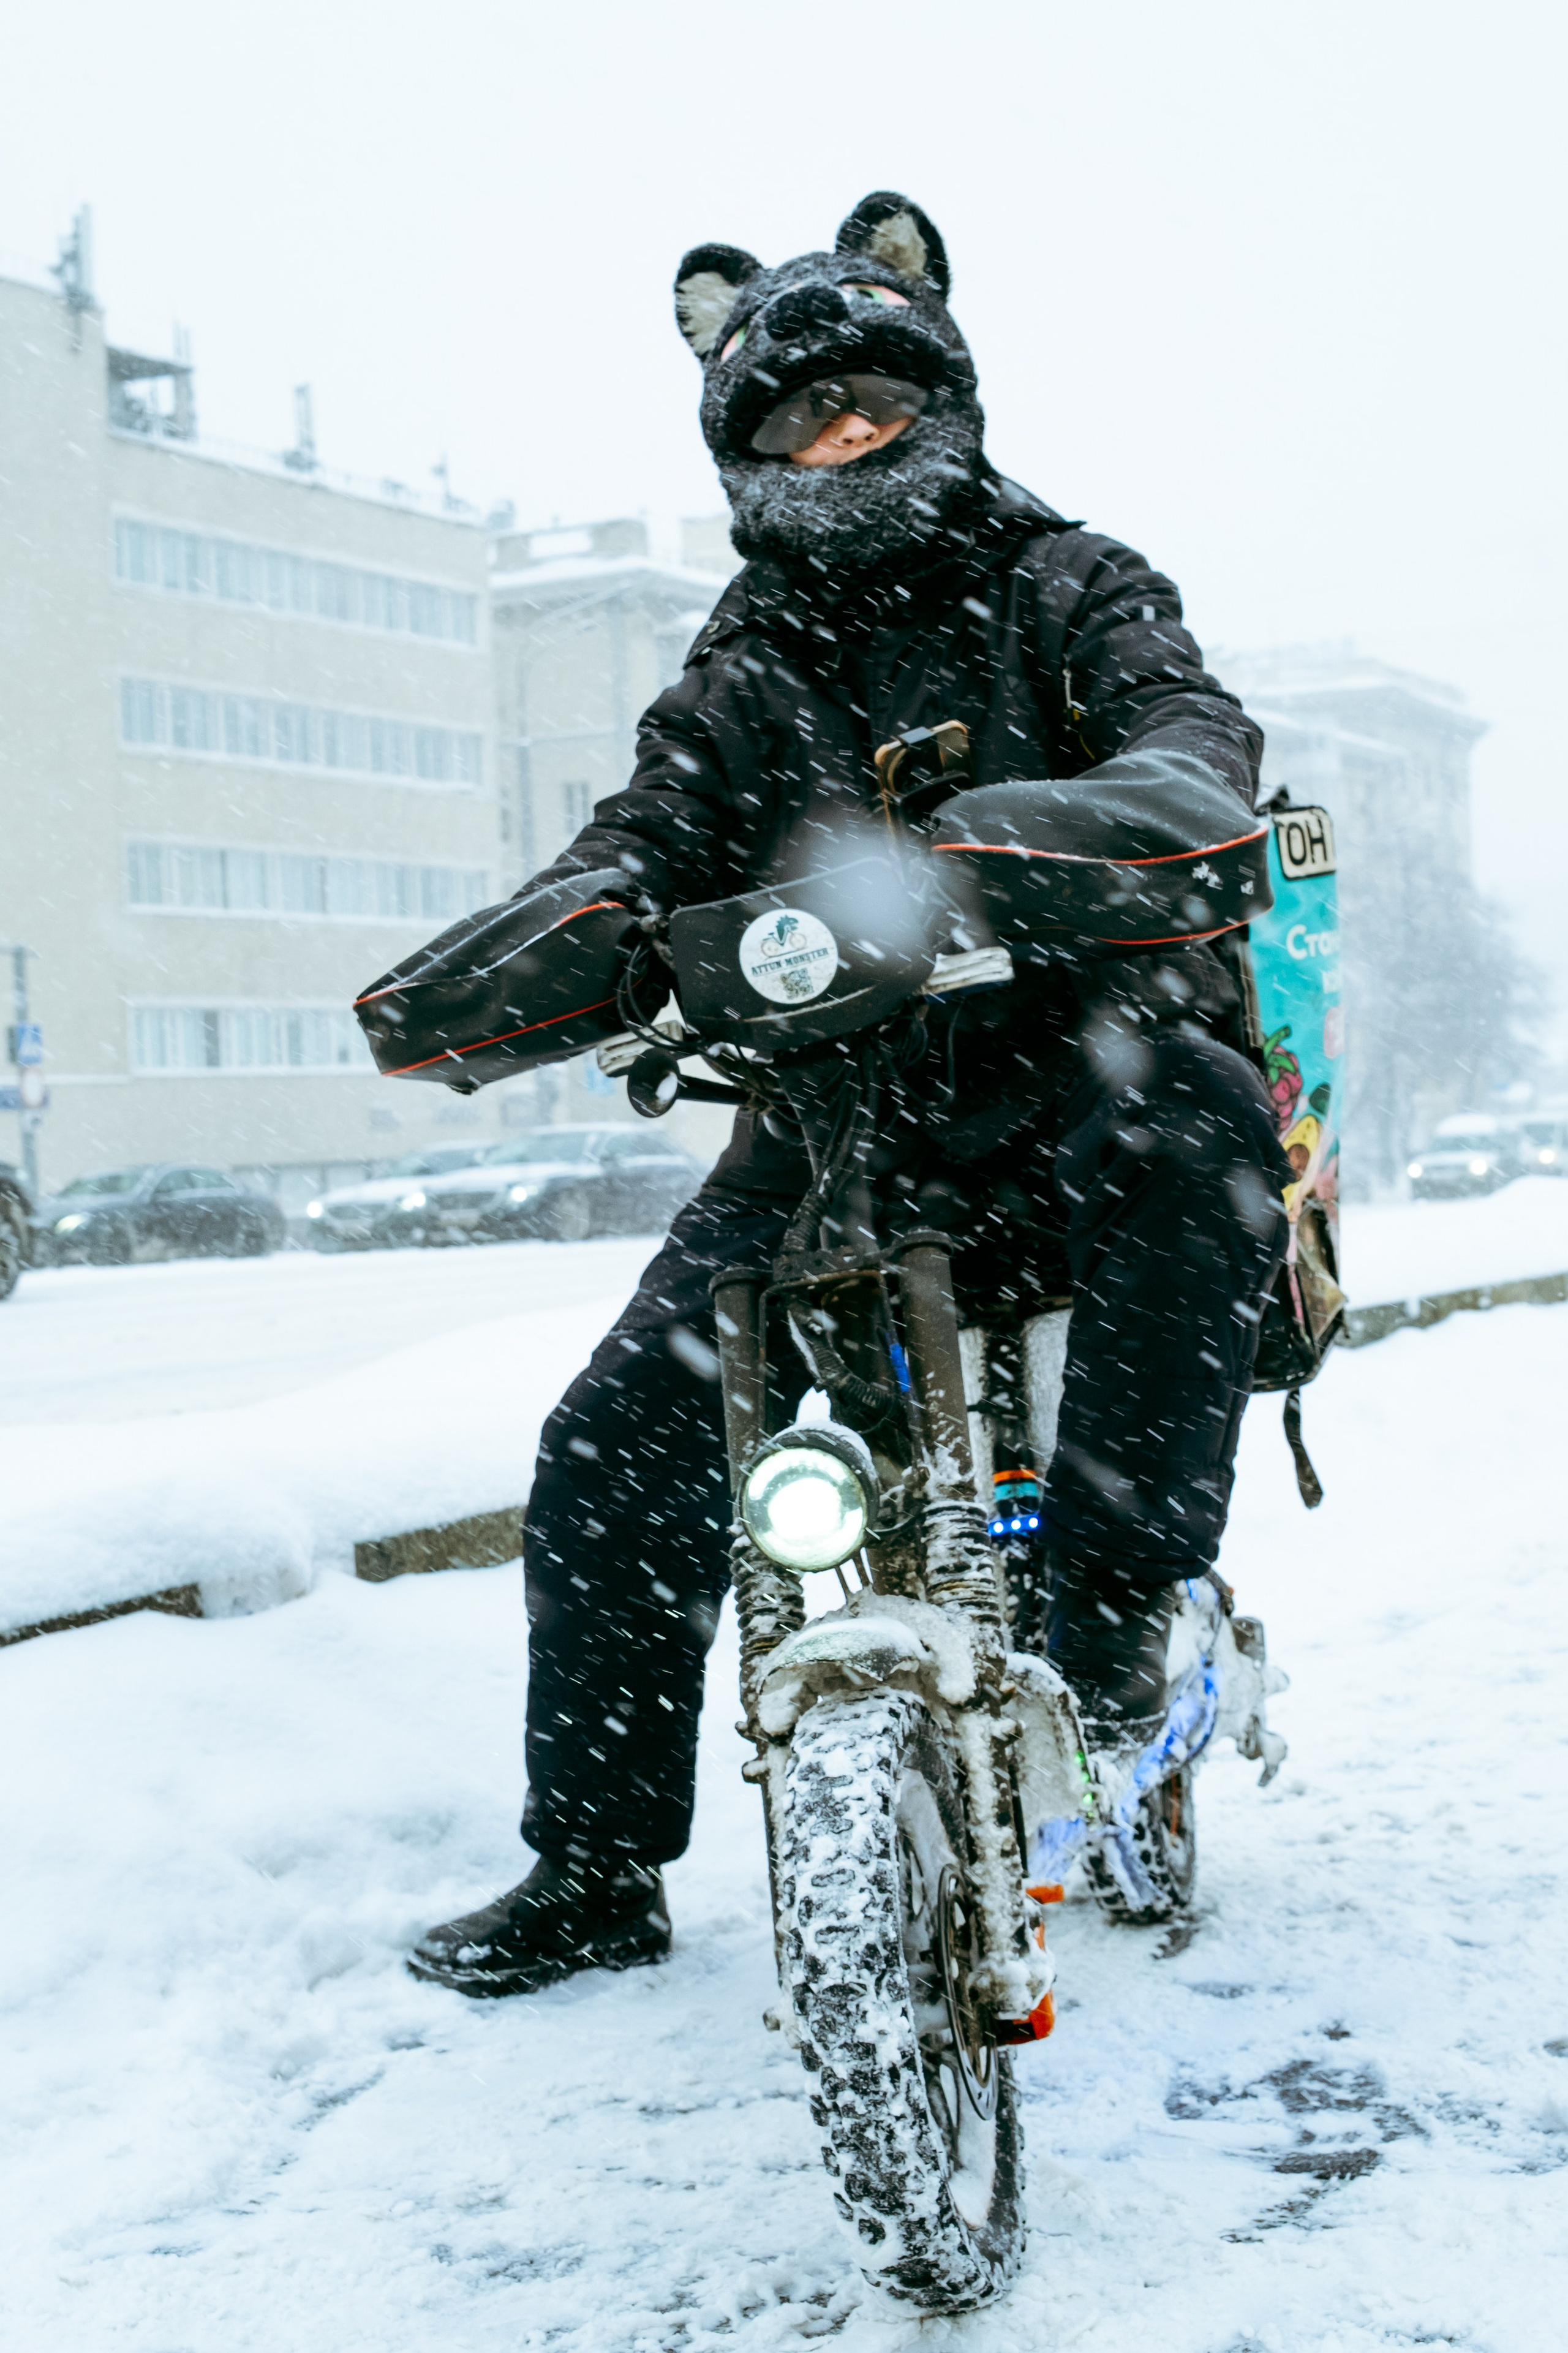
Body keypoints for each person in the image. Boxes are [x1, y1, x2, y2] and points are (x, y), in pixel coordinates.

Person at [409, 192, 1291, 1998]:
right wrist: (541, 954)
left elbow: (1194, 757)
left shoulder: (1072, 583)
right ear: (743, 448)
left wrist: (995, 855)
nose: (839, 437)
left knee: (1200, 1126)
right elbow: (638, 840)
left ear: (939, 390)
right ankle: (590, 1865)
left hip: (1078, 1095)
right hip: (833, 1138)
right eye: (794, 419)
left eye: (872, 398)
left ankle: (1117, 1613)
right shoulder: (741, 672)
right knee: (609, 1448)